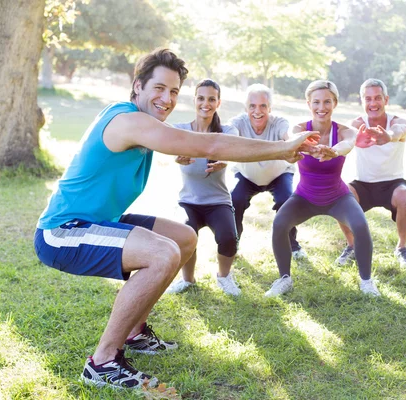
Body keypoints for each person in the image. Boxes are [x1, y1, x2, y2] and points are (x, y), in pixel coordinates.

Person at [33, 48, 319, 390]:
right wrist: (282, 149)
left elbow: (197, 143)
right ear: (138, 86)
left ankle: (136, 333)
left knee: (184, 238)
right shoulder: (129, 120)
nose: (166, 99)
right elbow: (208, 142)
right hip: (63, 232)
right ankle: (103, 362)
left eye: (173, 92)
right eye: (158, 88)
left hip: (101, 219)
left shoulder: (146, 125)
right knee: (162, 252)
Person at [265, 80, 381, 297]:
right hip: (305, 197)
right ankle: (284, 279)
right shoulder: (299, 129)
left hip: (337, 197)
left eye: (327, 101)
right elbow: (293, 139)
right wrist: (310, 146)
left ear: (335, 103)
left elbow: (347, 144)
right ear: (308, 103)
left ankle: (366, 281)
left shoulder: (345, 131)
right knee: (280, 223)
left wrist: (333, 151)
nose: (321, 107)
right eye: (316, 102)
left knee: (360, 225)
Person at [165, 79, 241, 296]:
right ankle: (187, 280)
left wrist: (226, 160)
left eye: (211, 99)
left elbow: (236, 149)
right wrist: (175, 156)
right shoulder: (181, 130)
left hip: (218, 202)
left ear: (218, 103)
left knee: (228, 237)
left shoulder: (227, 130)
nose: (205, 103)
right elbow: (162, 142)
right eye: (201, 98)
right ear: (194, 100)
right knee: (185, 234)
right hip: (189, 201)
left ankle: (224, 277)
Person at [335, 79, 406, 268]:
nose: (373, 103)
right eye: (368, 99)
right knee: (340, 196)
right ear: (362, 101)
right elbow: (346, 138)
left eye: (378, 98)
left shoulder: (397, 121)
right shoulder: (356, 123)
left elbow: (400, 130)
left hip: (392, 183)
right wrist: (354, 138)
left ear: (386, 99)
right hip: (363, 183)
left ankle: (402, 248)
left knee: (405, 198)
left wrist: (388, 136)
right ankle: (352, 246)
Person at [229, 84, 306, 260]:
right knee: (235, 200)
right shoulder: (238, 123)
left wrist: (293, 142)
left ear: (269, 108)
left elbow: (288, 135)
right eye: (252, 106)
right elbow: (227, 136)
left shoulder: (279, 122)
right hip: (247, 175)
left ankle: (292, 245)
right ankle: (233, 244)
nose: (258, 111)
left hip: (278, 174)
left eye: (263, 106)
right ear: (246, 108)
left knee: (286, 201)